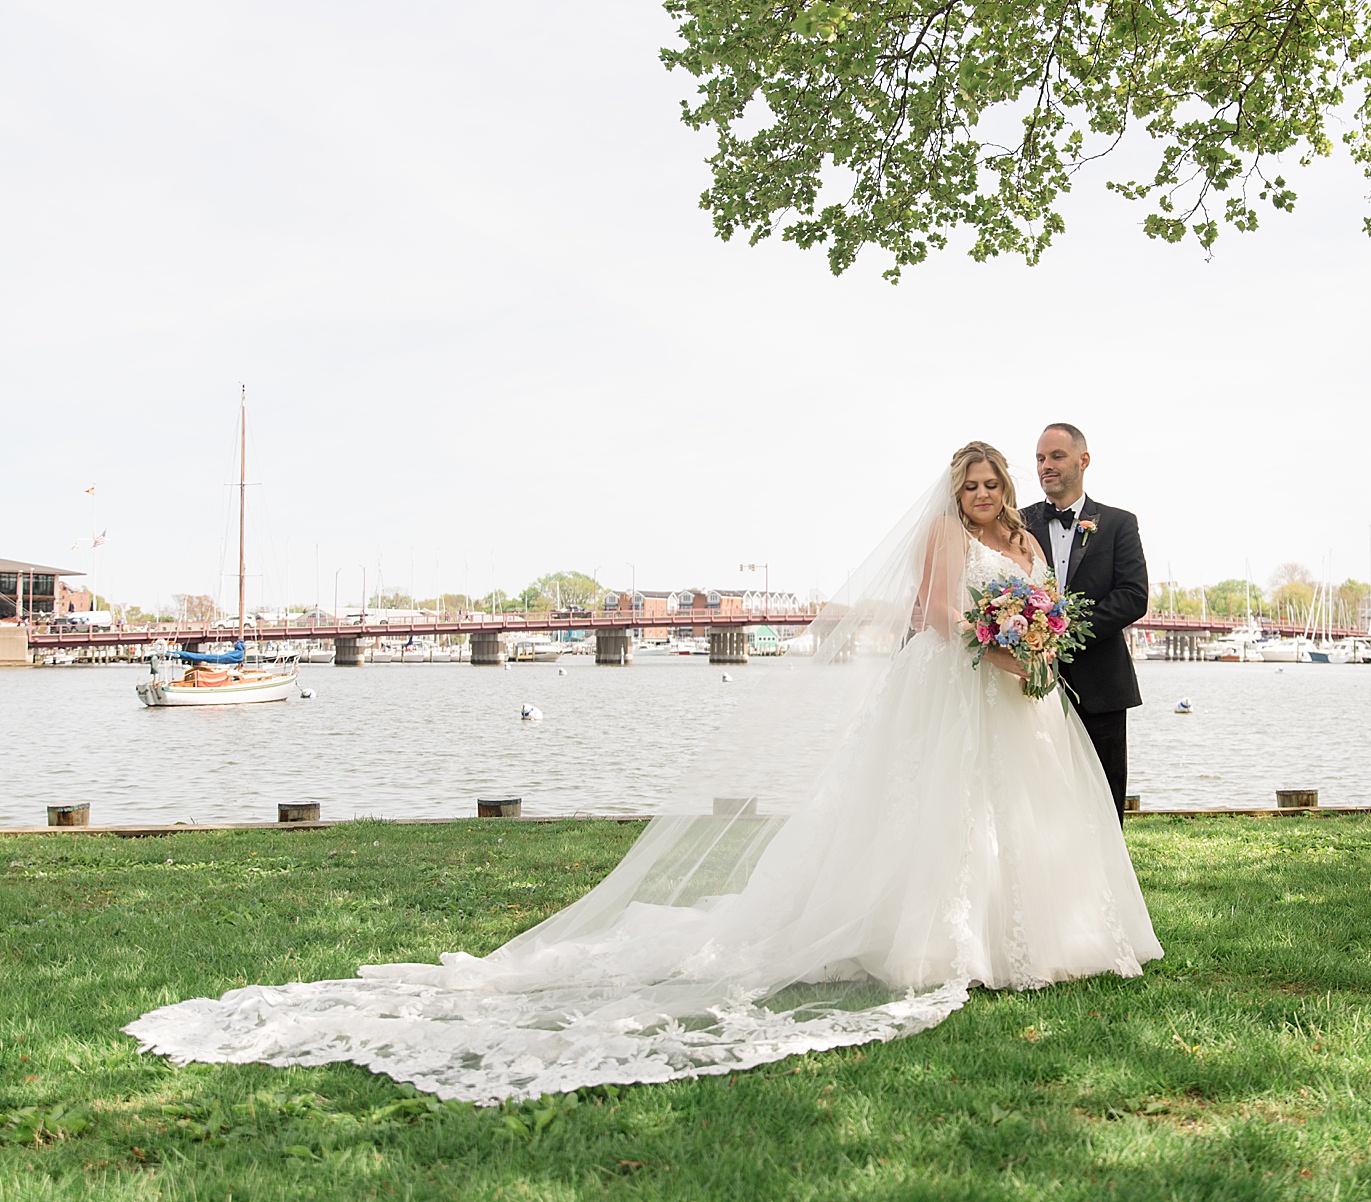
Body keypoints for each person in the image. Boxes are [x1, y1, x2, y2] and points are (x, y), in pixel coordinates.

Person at [125, 441, 1161, 1102]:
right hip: (956, 684)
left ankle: (1045, 932)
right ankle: (946, 936)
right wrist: (993, 635)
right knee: (938, 814)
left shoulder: (1027, 537)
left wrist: (1029, 639)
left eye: (994, 481)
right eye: (972, 481)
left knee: (1021, 815)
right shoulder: (946, 537)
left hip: (1016, 696)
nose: (983, 493)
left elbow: (1045, 606)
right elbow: (938, 611)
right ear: (956, 489)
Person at [1021, 423, 1150, 824]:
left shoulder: (1118, 524)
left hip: (1101, 684)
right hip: (1024, 685)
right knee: (1032, 794)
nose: (1046, 466)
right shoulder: (1016, 523)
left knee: (1104, 798)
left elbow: (1133, 596)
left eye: (1056, 456)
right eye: (1040, 458)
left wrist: (1065, 632)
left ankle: (1107, 886)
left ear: (1083, 460)